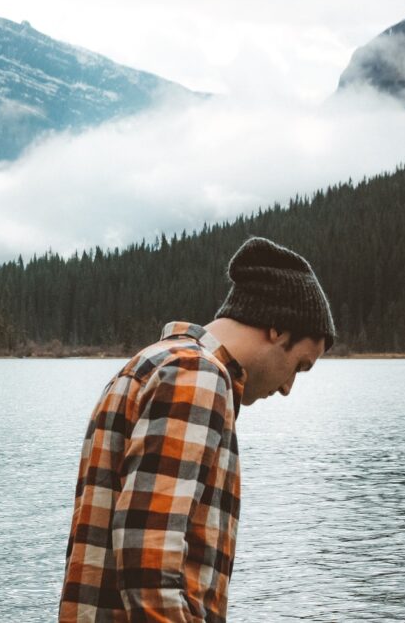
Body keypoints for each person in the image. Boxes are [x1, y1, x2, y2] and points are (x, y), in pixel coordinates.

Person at [59, 236, 336, 622]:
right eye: (300, 365)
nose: (289, 387)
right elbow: (148, 564)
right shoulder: (197, 376)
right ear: (277, 328)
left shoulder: (151, 363)